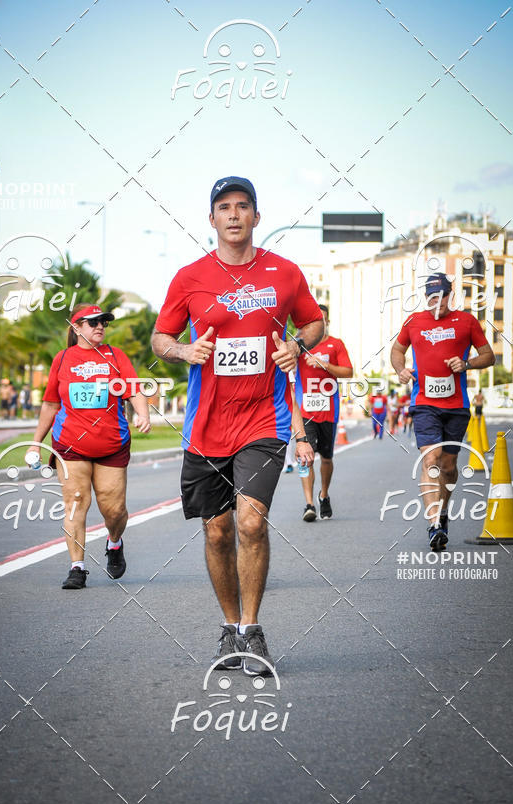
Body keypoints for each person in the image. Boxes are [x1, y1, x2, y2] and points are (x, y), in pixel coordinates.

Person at [151, 176, 323, 677]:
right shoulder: (189, 277)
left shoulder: (284, 273)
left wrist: (299, 345)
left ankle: (251, 630)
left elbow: (314, 323)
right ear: (211, 219)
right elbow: (161, 337)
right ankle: (228, 626)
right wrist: (185, 349)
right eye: (223, 208)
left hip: (263, 418)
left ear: (255, 216)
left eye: (242, 207)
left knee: (250, 521)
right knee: (218, 531)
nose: (233, 215)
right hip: (206, 425)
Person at [28, 304, 151, 589]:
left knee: (114, 510)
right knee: (75, 503)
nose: (100, 327)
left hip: (111, 444)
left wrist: (142, 413)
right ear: (77, 328)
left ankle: (115, 542)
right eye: (92, 322)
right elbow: (50, 404)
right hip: (70, 445)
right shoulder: (62, 359)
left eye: (103, 323)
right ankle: (77, 567)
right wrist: (35, 444)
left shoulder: (115, 355)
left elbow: (134, 389)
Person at [391, 273, 495, 550]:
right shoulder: (414, 322)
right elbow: (397, 351)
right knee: (431, 460)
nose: (436, 302)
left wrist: (467, 364)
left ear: (451, 295)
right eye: (431, 297)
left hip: (457, 405)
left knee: (448, 467)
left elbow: (489, 355)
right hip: (424, 402)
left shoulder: (467, 321)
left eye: (441, 296)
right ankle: (434, 524)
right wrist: (401, 369)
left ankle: (444, 511)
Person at [292, 304, 353, 522]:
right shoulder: (298, 346)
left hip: (328, 411)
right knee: (305, 457)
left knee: (326, 459)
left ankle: (323, 495)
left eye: (324, 320)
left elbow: (348, 372)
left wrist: (323, 364)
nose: (321, 324)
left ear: (328, 322)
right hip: (304, 411)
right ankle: (309, 504)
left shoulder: (336, 344)